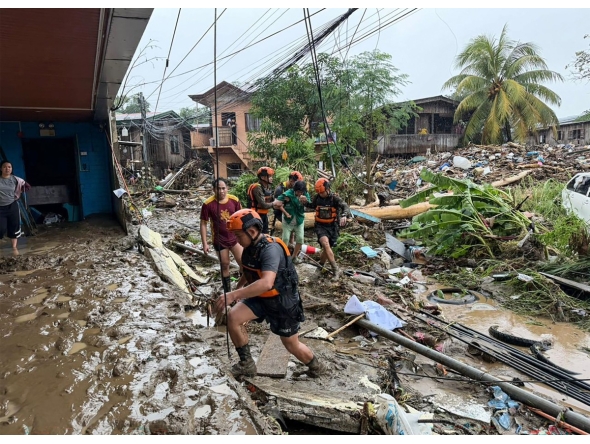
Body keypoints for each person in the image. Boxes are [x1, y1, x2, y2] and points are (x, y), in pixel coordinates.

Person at [213, 209, 327, 378]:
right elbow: (249, 271)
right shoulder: (249, 247)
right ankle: (247, 364)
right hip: (260, 298)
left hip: (282, 301)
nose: (235, 240)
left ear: (252, 232)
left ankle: (316, 367)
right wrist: (238, 288)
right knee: (233, 317)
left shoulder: (270, 249)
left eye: (238, 236)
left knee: (291, 344)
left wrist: (234, 295)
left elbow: (266, 282)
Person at [200, 178, 243, 294]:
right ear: (214, 190)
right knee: (225, 265)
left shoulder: (234, 200)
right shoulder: (208, 204)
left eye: (223, 188)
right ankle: (227, 292)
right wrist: (205, 243)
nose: (221, 191)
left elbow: (242, 218)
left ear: (227, 188)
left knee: (243, 263)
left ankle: (240, 289)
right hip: (220, 240)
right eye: (218, 189)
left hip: (235, 238)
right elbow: (203, 223)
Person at [304, 178, 350, 279]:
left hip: (333, 227)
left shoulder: (334, 199)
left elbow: (345, 206)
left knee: (327, 248)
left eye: (323, 192)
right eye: (319, 193)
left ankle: (320, 267)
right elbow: (312, 205)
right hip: (320, 226)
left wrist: (344, 215)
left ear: (328, 189)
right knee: (325, 244)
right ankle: (335, 269)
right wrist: (305, 202)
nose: (321, 194)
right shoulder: (317, 198)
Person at [273, 180, 311, 262]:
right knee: (285, 239)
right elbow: (276, 203)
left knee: (300, 239)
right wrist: (282, 202)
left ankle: (294, 257)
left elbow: (311, 205)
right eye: (298, 191)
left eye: (301, 192)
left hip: (299, 220)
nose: (300, 193)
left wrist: (306, 202)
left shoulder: (306, 194)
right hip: (288, 220)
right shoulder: (288, 193)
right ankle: (283, 257)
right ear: (295, 190)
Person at [0, 160, 30, 251]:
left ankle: (14, 249)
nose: (7, 169)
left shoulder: (16, 179)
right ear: (0, 169)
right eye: (5, 167)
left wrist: (21, 189)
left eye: (9, 167)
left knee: (14, 226)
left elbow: (27, 186)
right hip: (0, 208)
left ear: (11, 169)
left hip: (12, 206)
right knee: (1, 228)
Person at [271, 170, 303, 240]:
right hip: (279, 212)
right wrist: (286, 213)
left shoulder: (293, 189)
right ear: (291, 181)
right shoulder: (280, 189)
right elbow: (276, 206)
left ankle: (291, 243)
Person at [247, 167, 274, 234]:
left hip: (264, 215)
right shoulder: (257, 188)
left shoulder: (267, 187)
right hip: (256, 215)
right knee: (258, 235)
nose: (271, 178)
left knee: (265, 234)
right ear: (263, 177)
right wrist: (274, 204)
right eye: (269, 176)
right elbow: (263, 205)